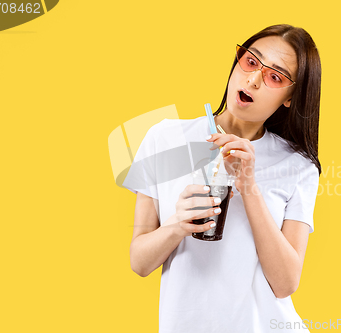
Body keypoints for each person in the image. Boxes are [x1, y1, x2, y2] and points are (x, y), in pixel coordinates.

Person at [123, 24, 322, 333]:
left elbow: (284, 284)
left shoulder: (297, 165)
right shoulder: (165, 138)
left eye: (275, 77)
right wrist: (177, 226)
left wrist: (249, 186)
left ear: (290, 98)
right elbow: (140, 261)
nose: (253, 80)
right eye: (251, 61)